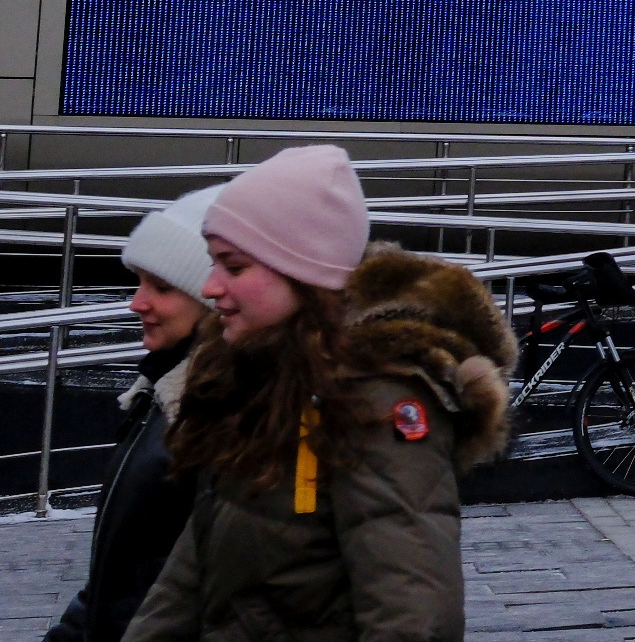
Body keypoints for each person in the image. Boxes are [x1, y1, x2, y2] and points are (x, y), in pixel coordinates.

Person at [124, 145, 515, 642]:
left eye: (234, 266)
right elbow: (190, 575)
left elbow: (413, 610)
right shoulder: (258, 379)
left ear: (301, 272)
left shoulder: (377, 401)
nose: (212, 287)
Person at [47, 188, 219, 642]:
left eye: (162, 287)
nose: (136, 303)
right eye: (139, 282)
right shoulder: (161, 394)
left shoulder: (211, 413)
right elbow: (117, 574)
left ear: (216, 299)